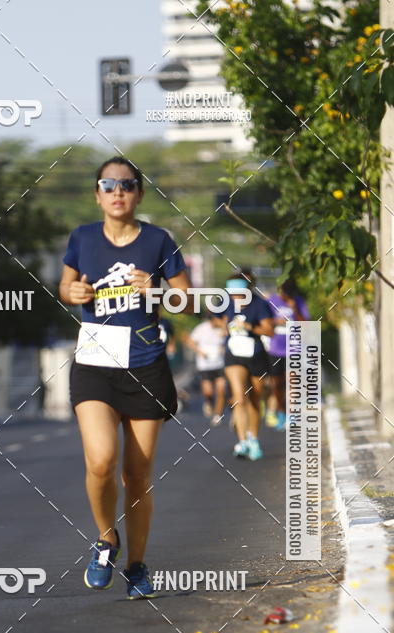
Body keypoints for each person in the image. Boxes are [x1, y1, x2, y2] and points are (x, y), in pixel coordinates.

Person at [59, 156, 190, 599]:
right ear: (97, 194)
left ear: (139, 193)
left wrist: (154, 290)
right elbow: (66, 286)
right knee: (100, 461)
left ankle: (136, 565)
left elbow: (188, 302)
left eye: (127, 184)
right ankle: (105, 538)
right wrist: (71, 291)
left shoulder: (158, 241)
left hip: (145, 363)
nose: (117, 192)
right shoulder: (81, 238)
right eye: (108, 185)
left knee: (137, 475)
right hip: (95, 359)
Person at [220, 274, 274, 460]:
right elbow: (220, 321)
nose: (235, 297)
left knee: (255, 399)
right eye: (232, 293)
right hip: (234, 355)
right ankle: (242, 442)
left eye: (239, 293)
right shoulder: (226, 303)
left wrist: (250, 327)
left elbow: (269, 330)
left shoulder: (259, 304)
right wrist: (226, 328)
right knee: (240, 398)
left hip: (256, 354)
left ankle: (253, 438)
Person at [265, 279, 311, 430]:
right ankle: (280, 411)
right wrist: (275, 322)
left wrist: (295, 309)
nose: (287, 297)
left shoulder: (298, 301)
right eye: (285, 295)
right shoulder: (272, 301)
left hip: (294, 348)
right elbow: (263, 322)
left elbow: (306, 324)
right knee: (276, 384)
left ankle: (292, 415)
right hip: (275, 348)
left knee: (292, 383)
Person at [186, 309, 227, 426]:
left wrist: (224, 349)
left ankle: (217, 415)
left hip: (219, 363)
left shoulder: (223, 328)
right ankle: (209, 402)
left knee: (221, 390)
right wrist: (199, 351)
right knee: (208, 391)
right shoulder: (201, 328)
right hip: (205, 365)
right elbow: (190, 341)